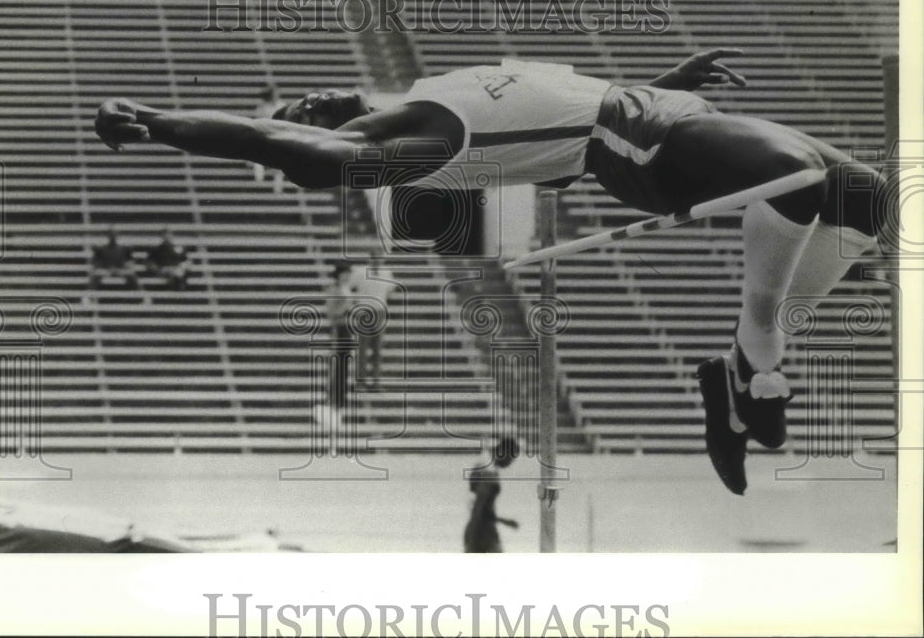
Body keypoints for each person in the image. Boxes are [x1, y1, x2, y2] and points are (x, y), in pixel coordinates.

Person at [95, 49, 888, 495]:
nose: (314, 97)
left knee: (869, 199)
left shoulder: (437, 88)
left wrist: (671, 77)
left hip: (657, 106)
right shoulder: (415, 140)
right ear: (340, 129)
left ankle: (741, 370)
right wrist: (164, 122)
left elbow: (550, 91)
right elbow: (287, 150)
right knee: (796, 175)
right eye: (308, 108)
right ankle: (752, 367)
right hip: (636, 144)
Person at [464, 436, 520, 553]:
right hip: (482, 533)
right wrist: (473, 536)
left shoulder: (483, 464)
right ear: (503, 452)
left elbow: (482, 507)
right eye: (511, 458)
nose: (510, 463)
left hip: (481, 528)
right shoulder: (489, 474)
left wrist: (504, 521)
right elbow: (479, 506)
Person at [350, 250, 396, 384]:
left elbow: (390, 291)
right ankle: (361, 380)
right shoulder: (359, 272)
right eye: (374, 259)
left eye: (379, 259)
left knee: (377, 348)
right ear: (369, 259)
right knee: (362, 347)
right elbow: (350, 288)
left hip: (379, 311)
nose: (376, 261)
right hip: (364, 311)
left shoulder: (386, 273)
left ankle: (376, 380)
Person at [322, 262, 357, 419]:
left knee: (344, 365)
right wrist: (344, 309)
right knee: (336, 365)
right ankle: (333, 399)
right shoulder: (334, 289)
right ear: (339, 274)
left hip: (347, 328)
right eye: (345, 273)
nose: (348, 276)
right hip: (338, 328)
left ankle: (340, 399)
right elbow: (331, 312)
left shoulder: (347, 288)